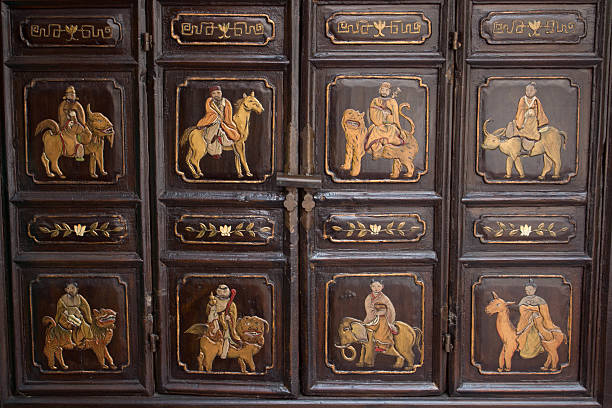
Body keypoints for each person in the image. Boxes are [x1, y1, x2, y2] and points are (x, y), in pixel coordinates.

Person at [516, 280, 561, 360]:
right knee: (527, 336)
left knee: (540, 333)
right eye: (527, 290)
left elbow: (543, 311)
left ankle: (541, 348)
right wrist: (533, 309)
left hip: (538, 320)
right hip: (527, 322)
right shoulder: (523, 300)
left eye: (530, 290)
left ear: (534, 290)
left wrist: (531, 308)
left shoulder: (540, 300)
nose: (528, 292)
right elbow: (522, 310)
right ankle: (527, 351)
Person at [196, 86, 241, 158]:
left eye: (218, 93)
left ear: (221, 93)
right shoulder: (209, 101)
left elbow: (228, 115)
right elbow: (210, 112)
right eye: (213, 93)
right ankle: (216, 151)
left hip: (224, 122)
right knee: (211, 134)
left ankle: (223, 139)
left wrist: (225, 121)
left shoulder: (226, 102)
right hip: (212, 121)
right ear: (211, 95)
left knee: (233, 133)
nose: (216, 95)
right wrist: (216, 117)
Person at [365, 82, 407, 158]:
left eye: (386, 90)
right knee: (374, 132)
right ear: (379, 90)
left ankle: (391, 151)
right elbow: (373, 112)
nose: (384, 91)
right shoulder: (375, 100)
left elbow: (395, 116)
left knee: (393, 132)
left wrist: (398, 127)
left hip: (389, 126)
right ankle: (376, 151)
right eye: (382, 89)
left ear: (389, 91)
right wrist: (382, 114)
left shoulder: (392, 101)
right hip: (378, 125)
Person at [506, 82, 549, 155]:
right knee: (514, 127)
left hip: (533, 121)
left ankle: (528, 145)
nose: (529, 92)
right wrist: (526, 113)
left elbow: (540, 111)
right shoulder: (522, 99)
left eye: (531, 90)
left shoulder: (536, 100)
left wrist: (534, 113)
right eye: (527, 90)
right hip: (523, 120)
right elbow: (520, 110)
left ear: (535, 91)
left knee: (532, 130)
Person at [205, 284, 241, 359]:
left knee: (226, 337)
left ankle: (224, 353)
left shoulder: (231, 303)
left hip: (225, 323)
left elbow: (233, 315)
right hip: (214, 320)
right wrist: (210, 306)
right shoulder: (214, 300)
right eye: (220, 289)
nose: (222, 291)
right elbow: (208, 311)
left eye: (224, 289)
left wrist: (229, 317)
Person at [363, 279, 398, 352]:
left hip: (383, 317)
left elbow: (391, 309)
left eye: (378, 286)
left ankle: (382, 344)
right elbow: (369, 310)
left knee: (383, 323)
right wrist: (376, 313)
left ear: (382, 287)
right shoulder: (369, 298)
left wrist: (387, 317)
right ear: (370, 287)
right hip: (371, 318)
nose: (376, 288)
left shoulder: (385, 298)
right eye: (374, 286)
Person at [55, 281, 93, 348]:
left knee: (85, 325)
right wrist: (67, 312)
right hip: (65, 317)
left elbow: (86, 307)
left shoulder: (79, 298)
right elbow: (60, 310)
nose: (71, 290)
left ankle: (85, 339)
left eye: (73, 288)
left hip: (77, 316)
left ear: (77, 289)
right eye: (69, 288)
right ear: (66, 290)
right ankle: (76, 341)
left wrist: (88, 318)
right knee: (75, 325)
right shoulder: (63, 299)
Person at [57, 86, 87, 161]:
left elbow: (82, 116)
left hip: (77, 126)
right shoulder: (63, 105)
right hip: (67, 126)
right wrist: (68, 120)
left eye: (73, 94)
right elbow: (62, 116)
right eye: (70, 94)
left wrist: (77, 120)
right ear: (66, 95)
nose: (72, 95)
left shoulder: (77, 105)